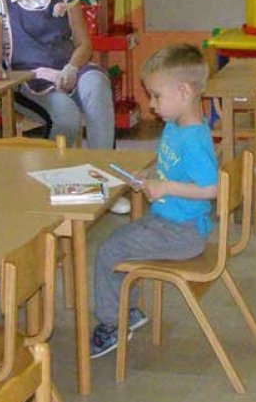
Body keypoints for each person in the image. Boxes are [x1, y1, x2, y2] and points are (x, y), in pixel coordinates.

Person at [0, 0, 128, 213]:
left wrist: (72, 68)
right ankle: (58, 183)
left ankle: (104, 182)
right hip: (29, 79)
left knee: (98, 85)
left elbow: (84, 44)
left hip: (69, 68)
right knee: (67, 116)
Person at [89, 44, 219, 358]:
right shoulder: (175, 127)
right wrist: (149, 175)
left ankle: (114, 323)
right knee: (121, 242)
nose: (151, 104)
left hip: (183, 231)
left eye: (157, 96)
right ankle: (128, 311)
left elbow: (211, 188)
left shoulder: (194, 138)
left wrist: (166, 187)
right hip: (169, 221)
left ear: (184, 91)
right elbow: (171, 168)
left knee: (109, 251)